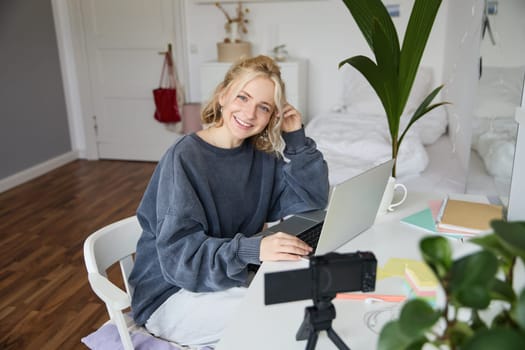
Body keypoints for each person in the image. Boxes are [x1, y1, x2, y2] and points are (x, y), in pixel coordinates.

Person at [129, 55, 329, 347]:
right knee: (281, 318)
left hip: (226, 278)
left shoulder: (261, 158)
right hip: (171, 293)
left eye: (263, 107)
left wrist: (296, 138)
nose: (249, 113)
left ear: (273, 116)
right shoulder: (185, 157)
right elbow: (179, 260)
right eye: (243, 97)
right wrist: (254, 248)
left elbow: (311, 200)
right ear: (223, 95)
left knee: (308, 293)